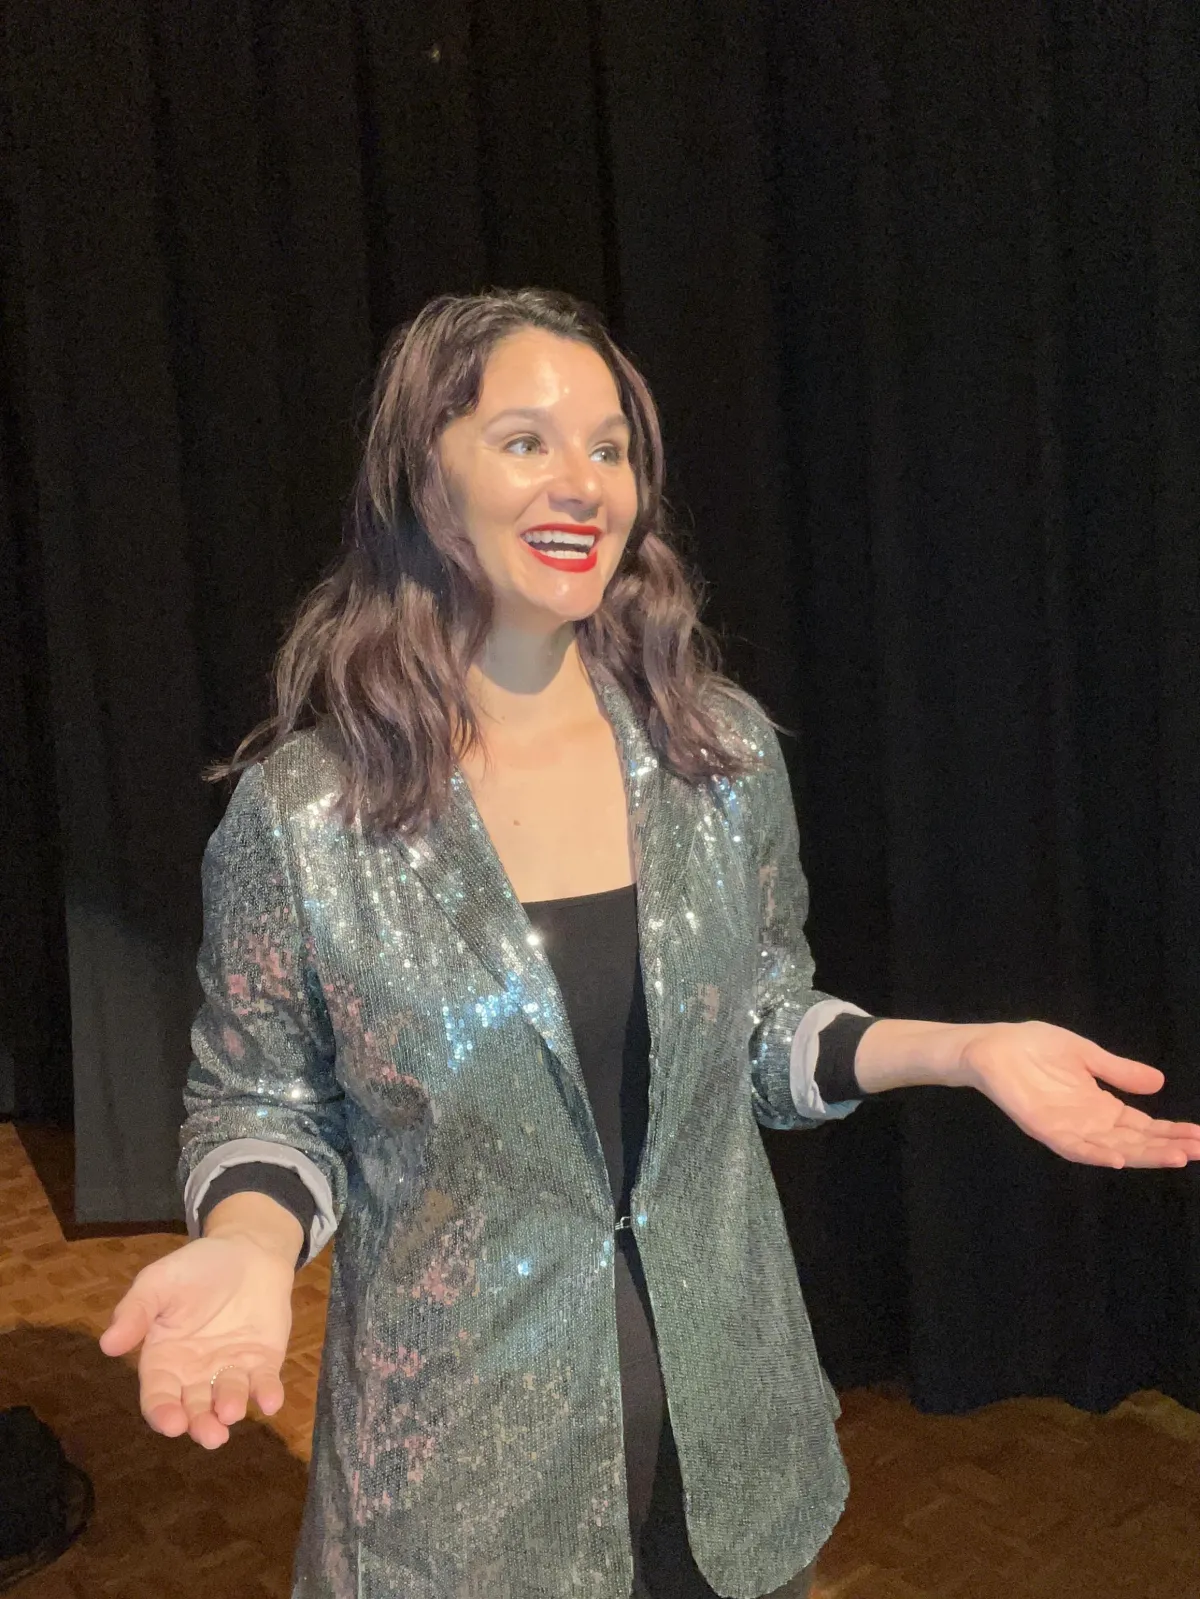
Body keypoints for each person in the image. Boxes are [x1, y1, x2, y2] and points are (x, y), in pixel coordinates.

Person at [100, 288, 1200, 1599]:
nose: (581, 481)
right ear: (419, 473)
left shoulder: (718, 754)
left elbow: (760, 1028)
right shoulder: (304, 816)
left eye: (611, 446)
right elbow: (263, 1099)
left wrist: (965, 1051)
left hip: (731, 1463)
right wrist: (247, 1241)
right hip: (460, 1496)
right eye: (526, 440)